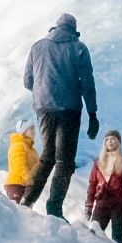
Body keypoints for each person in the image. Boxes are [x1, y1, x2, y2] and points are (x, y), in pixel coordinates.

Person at [21, 12, 99, 218]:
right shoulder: (79, 48)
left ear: (55, 26)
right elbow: (88, 84)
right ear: (74, 29)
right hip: (69, 110)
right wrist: (93, 114)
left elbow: (28, 81)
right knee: (64, 160)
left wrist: (43, 95)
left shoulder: (37, 46)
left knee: (47, 155)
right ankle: (54, 207)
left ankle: (27, 200)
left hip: (43, 108)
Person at [85, 130, 122, 243]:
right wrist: (89, 204)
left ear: (119, 142)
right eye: (107, 139)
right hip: (101, 202)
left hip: (120, 204)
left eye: (113, 138)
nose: (110, 141)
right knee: (93, 234)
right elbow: (92, 184)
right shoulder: (98, 163)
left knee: (117, 238)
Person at [3, 123, 38, 203]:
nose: (33, 131)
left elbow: (38, 167)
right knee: (19, 212)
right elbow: (19, 167)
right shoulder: (17, 145)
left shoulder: (32, 150)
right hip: (16, 185)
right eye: (30, 129)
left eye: (34, 129)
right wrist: (31, 180)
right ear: (23, 131)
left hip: (27, 185)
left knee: (26, 213)